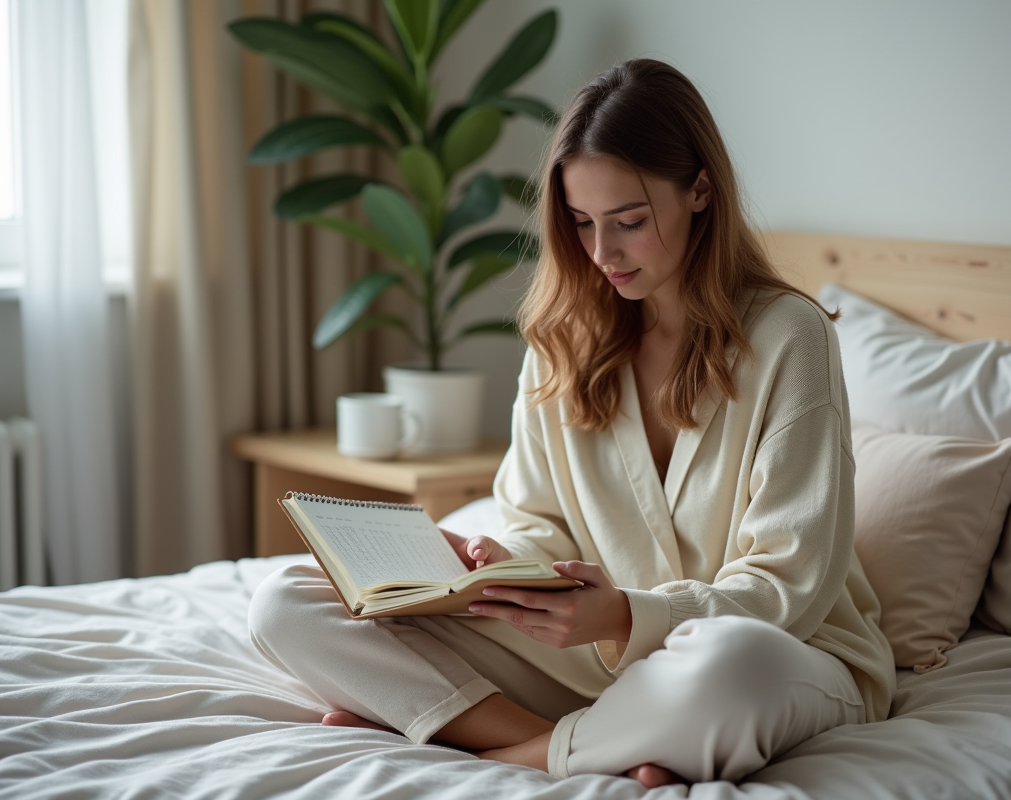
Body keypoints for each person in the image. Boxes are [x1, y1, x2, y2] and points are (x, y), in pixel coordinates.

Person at [248, 58, 894, 788]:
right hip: (590, 656)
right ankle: (559, 742)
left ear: (701, 191)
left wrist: (625, 615)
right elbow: (539, 522)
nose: (601, 254)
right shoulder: (565, 338)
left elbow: (789, 584)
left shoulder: (790, 336)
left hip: (779, 650)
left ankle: (474, 736)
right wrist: (500, 564)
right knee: (286, 601)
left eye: (629, 222)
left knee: (728, 668)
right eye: (581, 223)